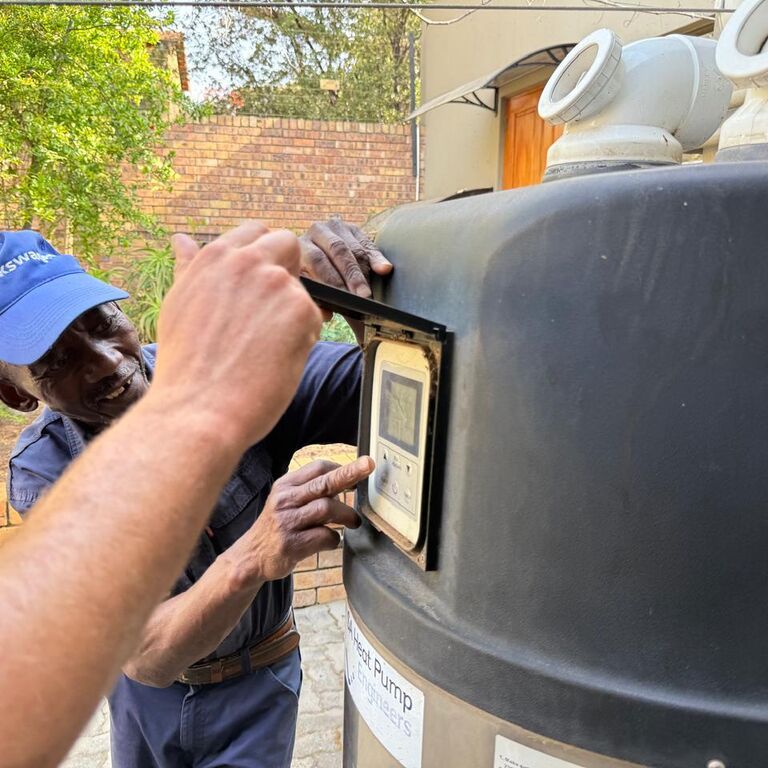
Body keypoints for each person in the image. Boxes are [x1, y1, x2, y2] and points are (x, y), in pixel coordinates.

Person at [1, 219, 391, 767]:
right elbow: (147, 656)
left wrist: (365, 309)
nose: (109, 361)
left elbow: (387, 395)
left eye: (103, 321)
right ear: (15, 395)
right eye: (59, 360)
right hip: (145, 704)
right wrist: (254, 554)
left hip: (259, 685)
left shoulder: (231, 372)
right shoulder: (45, 469)